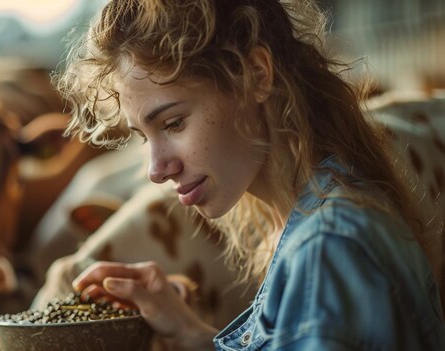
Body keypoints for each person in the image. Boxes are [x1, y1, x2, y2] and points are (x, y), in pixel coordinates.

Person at [54, 0, 445, 349]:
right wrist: (193, 335)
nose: (156, 170)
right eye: (143, 136)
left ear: (257, 74)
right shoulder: (315, 214)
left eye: (173, 123)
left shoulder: (327, 250)